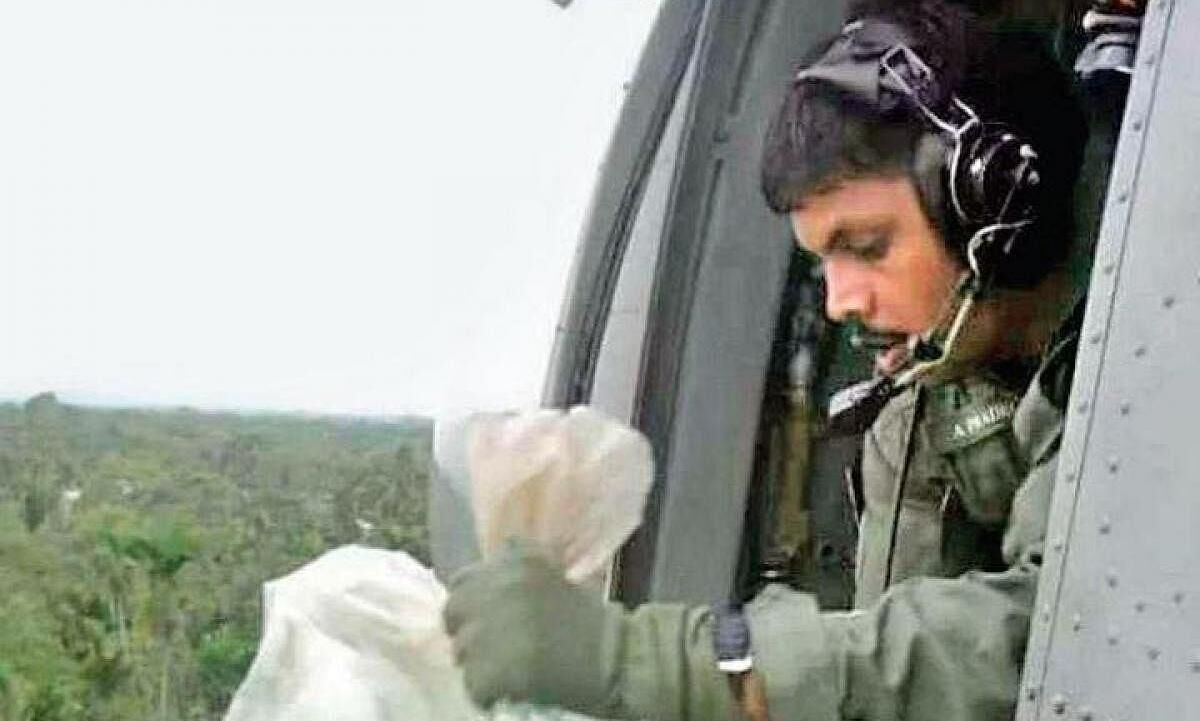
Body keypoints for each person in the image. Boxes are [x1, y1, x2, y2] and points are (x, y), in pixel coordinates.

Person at [442, 2, 1088, 719]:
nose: (840, 301)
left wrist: (651, 663)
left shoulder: (1133, 374)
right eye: (824, 265)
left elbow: (1060, 636)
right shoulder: (917, 420)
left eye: (867, 246)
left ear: (994, 201)